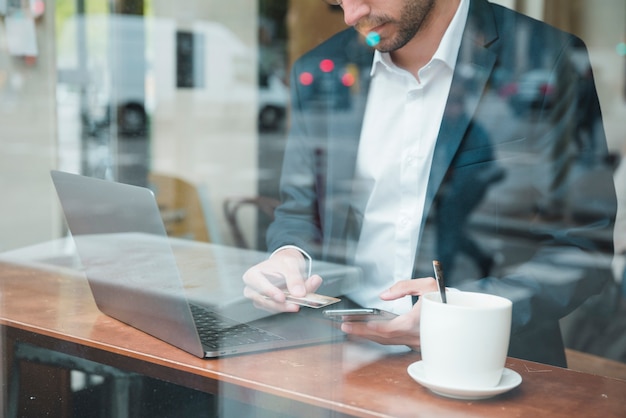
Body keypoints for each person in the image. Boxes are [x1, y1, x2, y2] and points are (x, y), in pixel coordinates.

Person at [243, 0, 617, 367]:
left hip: (490, 367)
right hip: (340, 362)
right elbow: (299, 208)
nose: (351, 14)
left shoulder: (547, 59)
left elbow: (583, 246)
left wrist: (467, 309)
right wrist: (289, 258)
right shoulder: (321, 69)